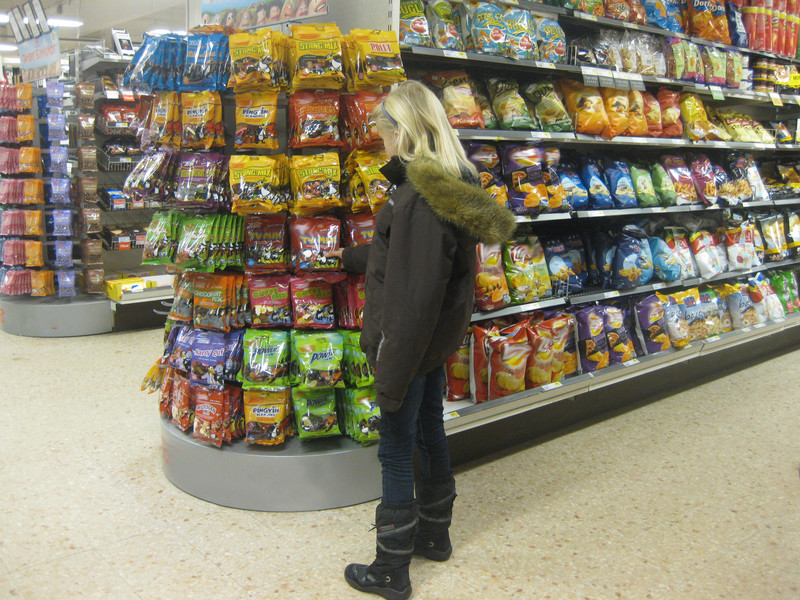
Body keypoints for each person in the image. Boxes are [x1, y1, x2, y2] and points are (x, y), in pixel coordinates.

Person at [334, 81, 516, 600]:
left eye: (382, 129)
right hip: (434, 341)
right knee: (430, 430)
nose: (379, 138)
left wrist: (391, 369)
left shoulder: (417, 199)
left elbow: (413, 295)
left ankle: (390, 569)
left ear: (403, 129)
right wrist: (349, 257)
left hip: (410, 344)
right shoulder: (447, 184)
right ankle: (435, 535)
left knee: (395, 447)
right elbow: (416, 260)